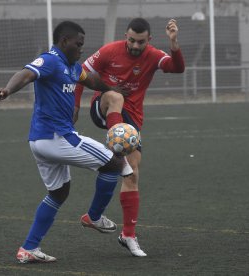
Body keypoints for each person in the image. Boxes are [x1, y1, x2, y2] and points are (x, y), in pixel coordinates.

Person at [0, 21, 130, 264]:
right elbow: (25, 75)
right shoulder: (51, 60)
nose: (81, 49)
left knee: (58, 192)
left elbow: (93, 81)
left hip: (40, 142)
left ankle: (29, 248)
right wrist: (6, 91)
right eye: (78, 44)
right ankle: (94, 217)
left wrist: (112, 89)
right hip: (57, 137)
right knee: (114, 162)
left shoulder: (73, 67)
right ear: (64, 41)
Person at [75, 18, 185, 257]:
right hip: (103, 108)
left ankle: (128, 235)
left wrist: (174, 43)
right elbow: (79, 73)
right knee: (115, 95)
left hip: (131, 122)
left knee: (131, 174)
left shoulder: (154, 55)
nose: (135, 45)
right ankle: (115, 142)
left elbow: (177, 68)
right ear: (126, 35)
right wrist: (74, 108)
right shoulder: (109, 51)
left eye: (141, 42)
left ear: (149, 40)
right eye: (132, 40)